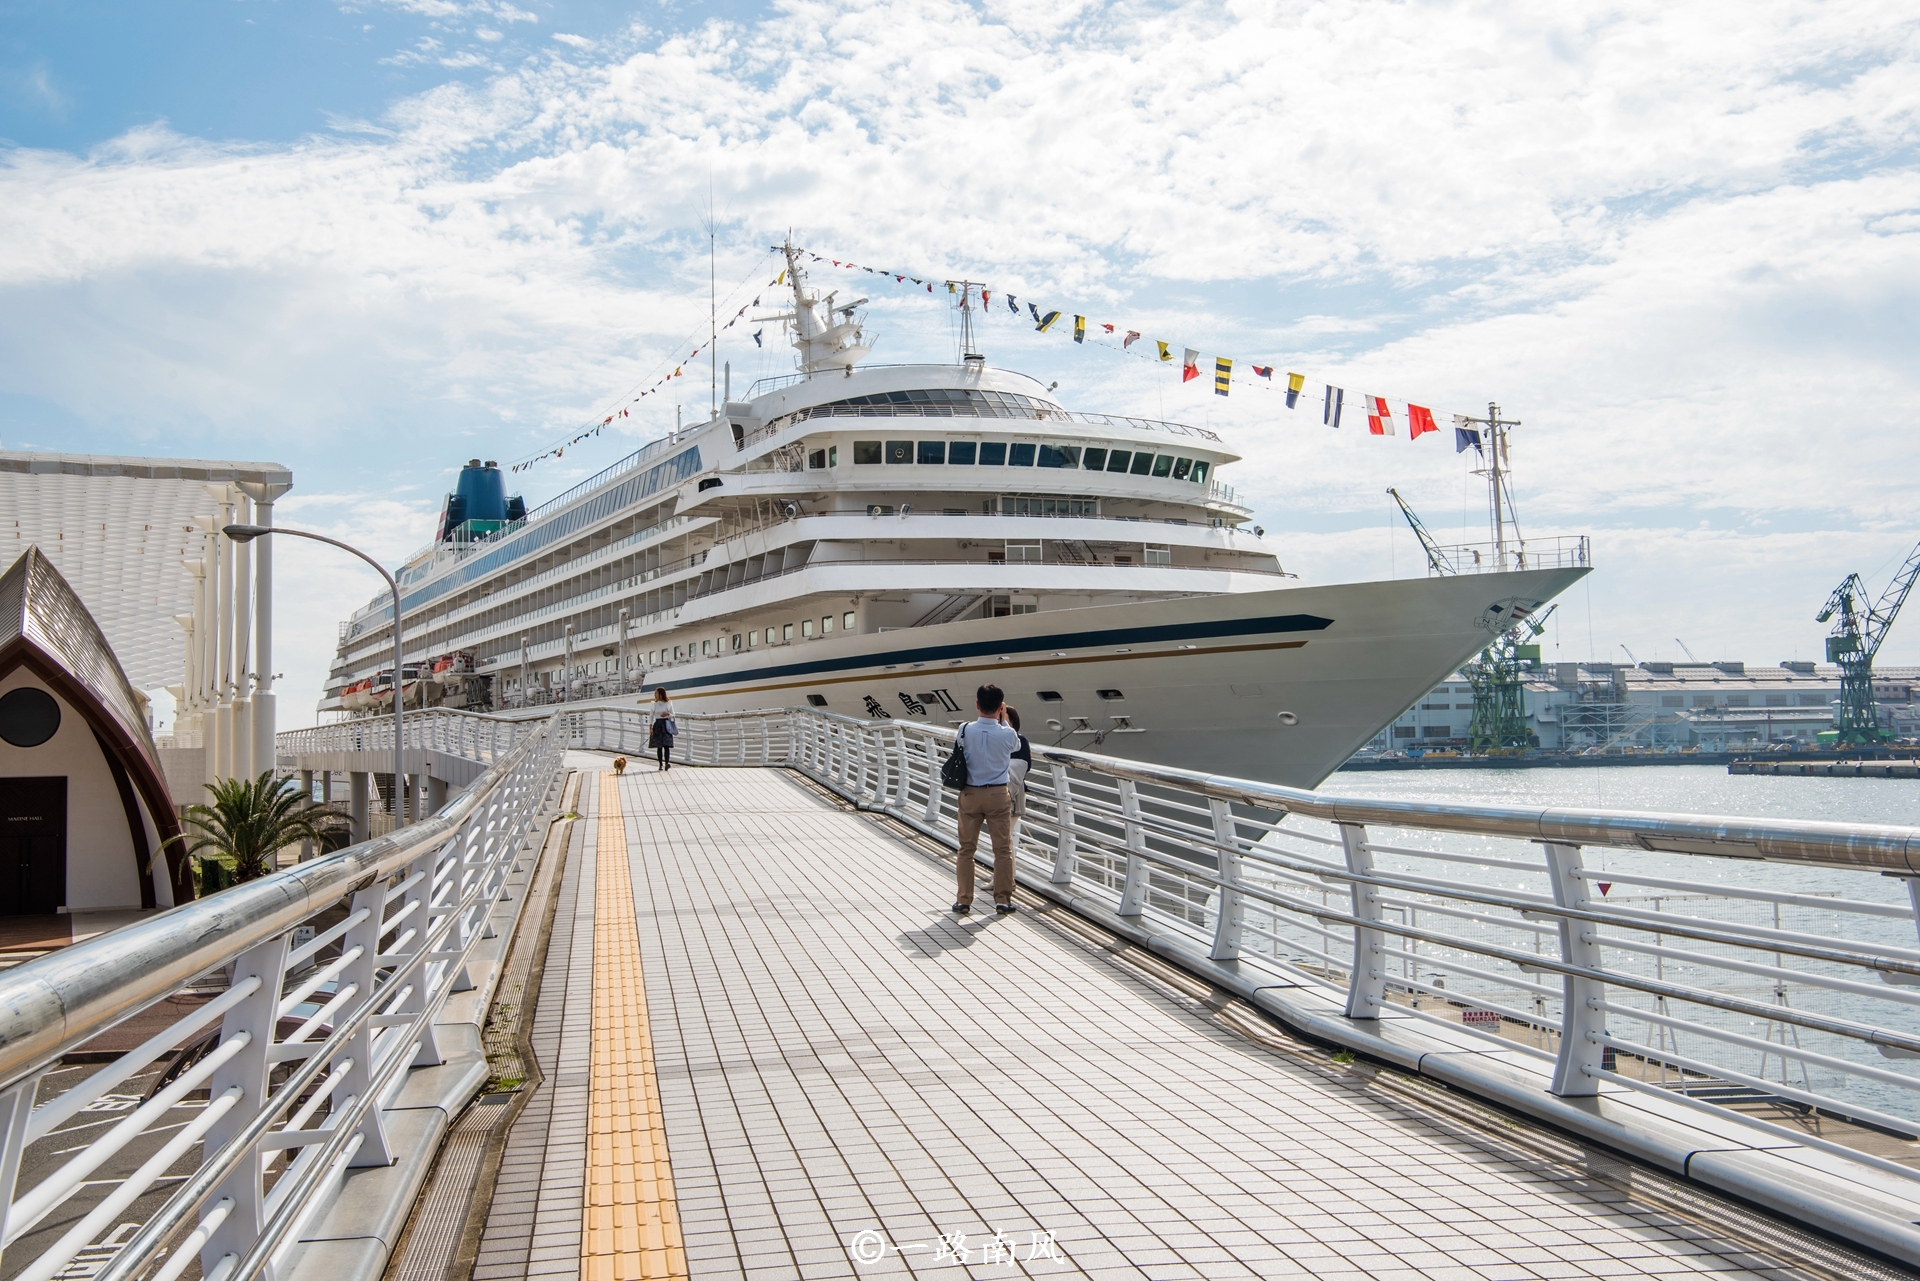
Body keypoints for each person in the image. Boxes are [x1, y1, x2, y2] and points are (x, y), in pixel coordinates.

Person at [952, 683, 1022, 915]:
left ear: (977, 705)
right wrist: (1003, 720)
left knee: (966, 849)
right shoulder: (1008, 733)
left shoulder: (964, 729)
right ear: (1001, 707)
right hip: (997, 793)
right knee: (1002, 849)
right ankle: (1002, 900)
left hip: (970, 792)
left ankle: (964, 900)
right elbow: (1016, 746)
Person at [1005, 705, 1032, 841]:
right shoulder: (997, 738)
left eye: (1004, 719)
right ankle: (1007, 862)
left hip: (1015, 792)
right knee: (1003, 837)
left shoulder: (1020, 740)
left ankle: (1008, 863)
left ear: (1013, 722)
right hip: (997, 791)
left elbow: (1026, 765)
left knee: (1005, 836)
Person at [647, 687, 676, 771]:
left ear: (661, 694)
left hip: (666, 724)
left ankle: (667, 763)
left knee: (666, 746)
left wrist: (667, 714)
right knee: (659, 746)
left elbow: (673, 715)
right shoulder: (654, 704)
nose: (655, 695)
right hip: (658, 725)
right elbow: (651, 716)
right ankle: (660, 764)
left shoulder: (668, 703)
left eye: (656, 693)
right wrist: (650, 726)